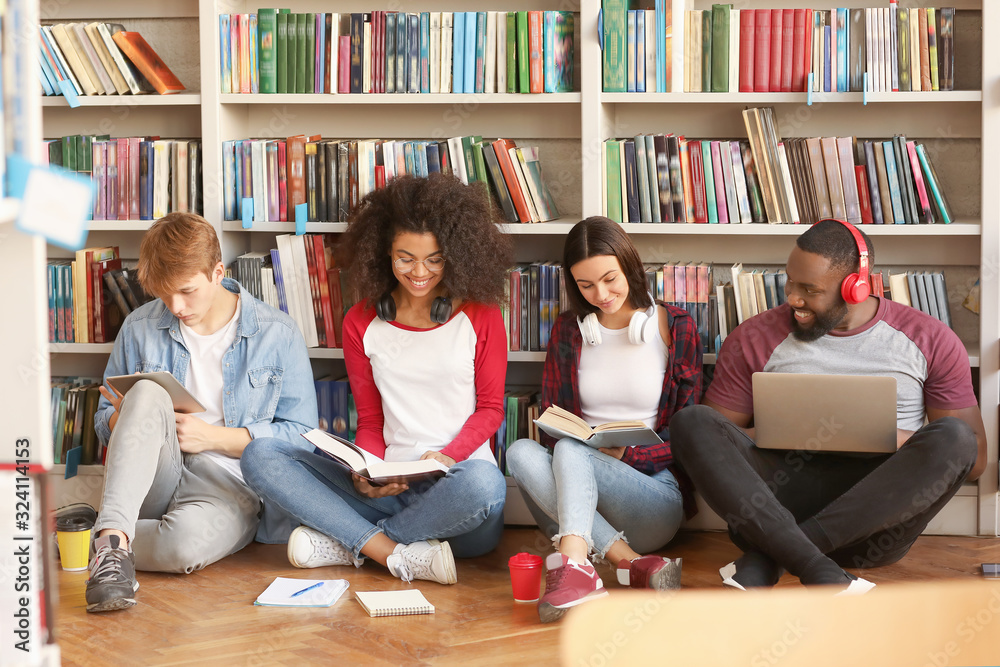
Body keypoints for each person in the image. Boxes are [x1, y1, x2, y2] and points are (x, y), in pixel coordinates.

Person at [670, 219, 986, 595]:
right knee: (692, 422)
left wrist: (893, 437)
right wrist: (776, 430)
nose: (793, 298)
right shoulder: (754, 336)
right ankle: (815, 566)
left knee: (956, 438)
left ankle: (775, 557)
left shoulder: (929, 339)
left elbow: (974, 460)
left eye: (810, 290)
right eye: (790, 281)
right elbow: (717, 448)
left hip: (874, 527)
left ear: (855, 287)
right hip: (775, 509)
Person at [241, 174, 511, 585]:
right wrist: (365, 473)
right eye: (405, 258)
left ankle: (357, 545)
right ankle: (391, 551)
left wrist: (447, 457)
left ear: (455, 255)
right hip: (389, 492)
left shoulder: (482, 315)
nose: (419, 272)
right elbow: (369, 420)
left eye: (434, 259)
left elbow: (491, 409)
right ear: (383, 253)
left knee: (485, 484)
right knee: (260, 454)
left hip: (457, 495)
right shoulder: (361, 321)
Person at [88, 212, 318, 612]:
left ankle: (101, 538)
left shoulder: (277, 333)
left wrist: (212, 438)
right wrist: (125, 417)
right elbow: (103, 418)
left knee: (180, 548)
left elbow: (302, 437)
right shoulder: (139, 327)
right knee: (144, 392)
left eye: (187, 291)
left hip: (228, 484)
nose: (176, 306)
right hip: (156, 475)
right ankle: (114, 540)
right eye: (163, 295)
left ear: (217, 272)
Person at [506, 217, 703, 623]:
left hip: (653, 495)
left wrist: (625, 455)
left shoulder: (676, 327)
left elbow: (689, 434)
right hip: (578, 500)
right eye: (586, 286)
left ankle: (575, 563)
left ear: (629, 265)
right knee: (521, 451)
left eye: (610, 279)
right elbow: (554, 422)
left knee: (570, 449)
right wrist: (580, 444)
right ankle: (625, 562)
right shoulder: (567, 332)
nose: (601, 294)